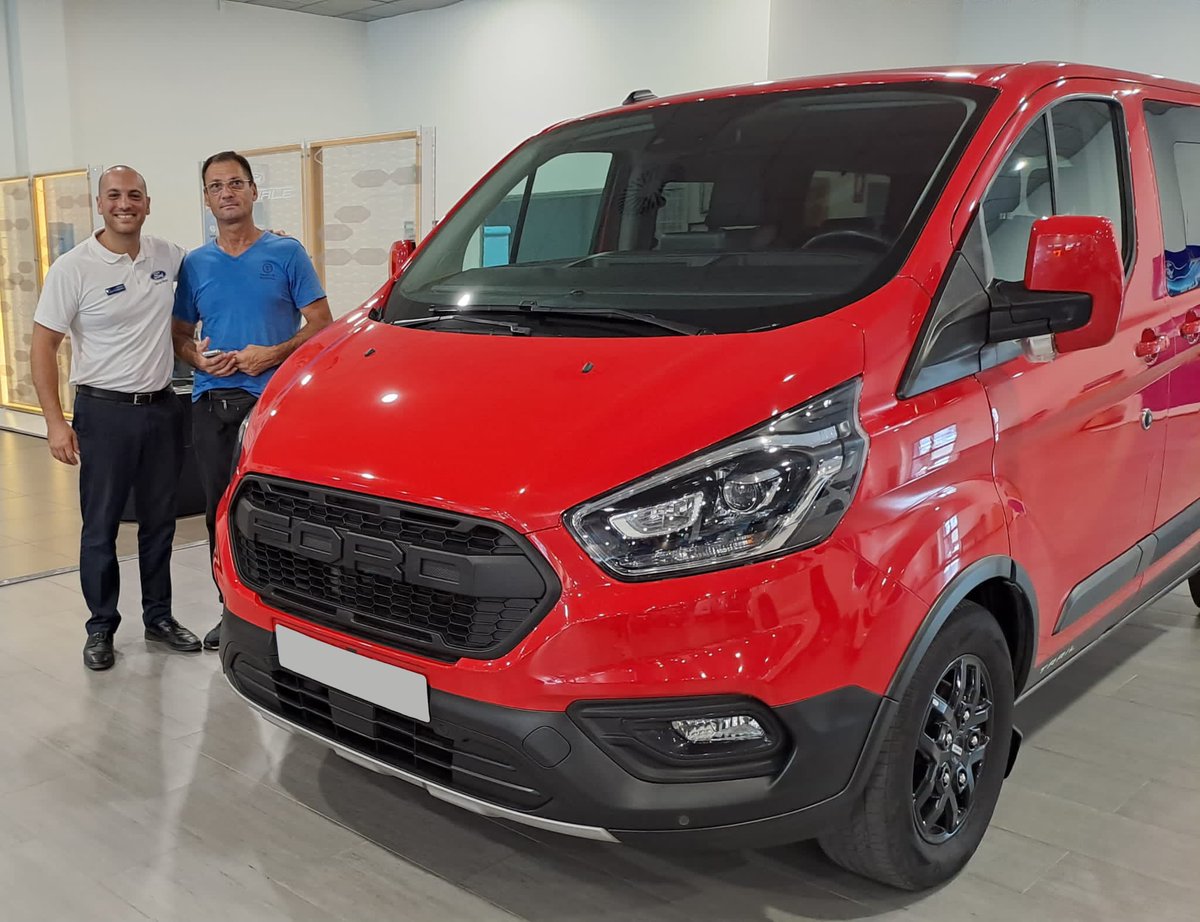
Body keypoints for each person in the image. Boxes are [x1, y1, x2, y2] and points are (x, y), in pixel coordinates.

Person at [31, 165, 203, 671]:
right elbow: (43, 345)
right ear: (99, 204)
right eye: (114, 196)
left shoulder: (169, 256)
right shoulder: (73, 267)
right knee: (101, 525)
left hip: (161, 410)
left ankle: (159, 617)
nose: (124, 203)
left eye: (134, 195)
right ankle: (101, 626)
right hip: (102, 412)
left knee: (159, 524)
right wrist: (55, 421)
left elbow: (212, 273)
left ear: (147, 204)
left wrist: (265, 243)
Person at [172, 151, 332, 651]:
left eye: (235, 183)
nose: (227, 193)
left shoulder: (285, 254)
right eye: (216, 186)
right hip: (212, 402)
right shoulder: (195, 265)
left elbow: (322, 325)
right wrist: (197, 360)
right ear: (206, 198)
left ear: (253, 190)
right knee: (219, 512)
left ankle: (293, 616)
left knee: (279, 513)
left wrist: (273, 354)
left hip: (274, 407)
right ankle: (232, 611)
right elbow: (179, 334)